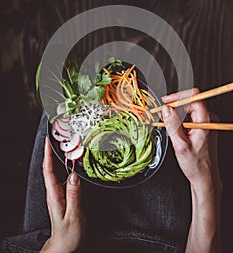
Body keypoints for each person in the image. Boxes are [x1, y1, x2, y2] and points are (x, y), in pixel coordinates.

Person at [0, 88, 222, 253]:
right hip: (154, 241)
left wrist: (57, 244)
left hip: (63, 240)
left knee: (60, 110)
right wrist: (206, 185)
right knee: (152, 119)